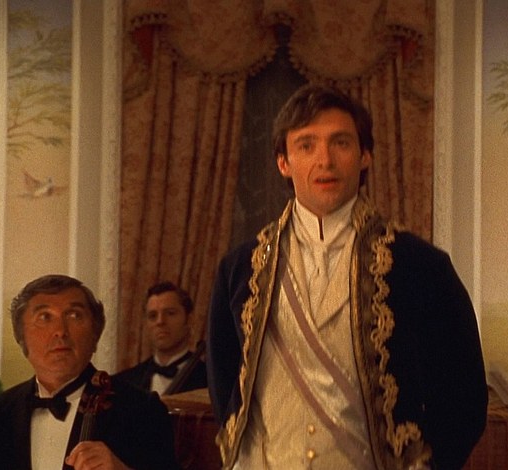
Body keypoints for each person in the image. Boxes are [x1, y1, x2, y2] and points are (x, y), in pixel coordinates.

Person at [206, 84, 487, 469]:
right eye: (306, 145)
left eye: (340, 143)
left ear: (364, 155)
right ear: (283, 162)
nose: (325, 160)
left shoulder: (422, 267)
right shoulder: (240, 269)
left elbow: (463, 398)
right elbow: (225, 389)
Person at [0, 274, 180, 470]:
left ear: (95, 336)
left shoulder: (143, 410)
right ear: (21, 338)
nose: (60, 331)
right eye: (45, 317)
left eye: (74, 315)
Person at [114, 281, 207, 396]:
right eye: (153, 316)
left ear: (189, 320)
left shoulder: (210, 380)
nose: (160, 321)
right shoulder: (124, 382)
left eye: (170, 313)